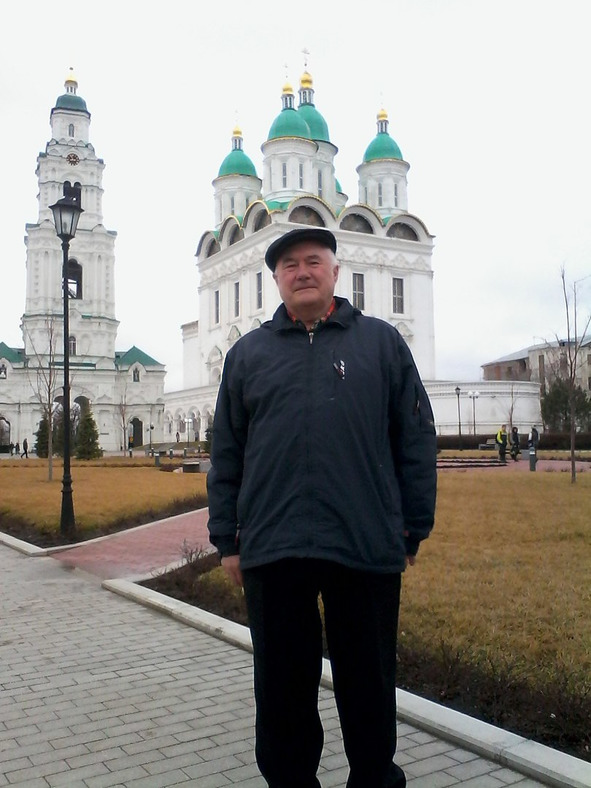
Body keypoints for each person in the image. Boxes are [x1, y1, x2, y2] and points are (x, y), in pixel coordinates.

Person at [207, 227, 437, 788]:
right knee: (282, 689)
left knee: (369, 681)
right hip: (274, 546)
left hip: (363, 542)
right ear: (276, 279)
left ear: (336, 271)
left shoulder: (380, 344)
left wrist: (412, 527)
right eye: (290, 265)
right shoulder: (248, 355)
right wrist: (227, 539)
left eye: (314, 260)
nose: (302, 272)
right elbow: (227, 451)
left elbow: (414, 437)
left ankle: (374, 779)